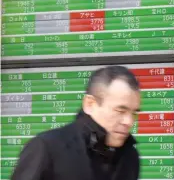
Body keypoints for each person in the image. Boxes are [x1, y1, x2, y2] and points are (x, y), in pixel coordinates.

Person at [11, 66, 141, 180]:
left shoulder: (129, 157)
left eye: (134, 113)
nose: (129, 121)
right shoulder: (48, 148)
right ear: (89, 104)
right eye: (120, 110)